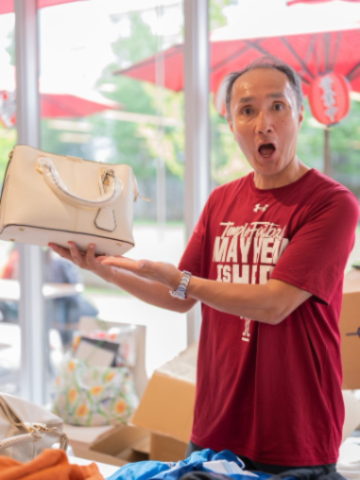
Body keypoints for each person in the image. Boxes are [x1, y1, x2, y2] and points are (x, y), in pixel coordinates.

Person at [49, 56, 360, 475]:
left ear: (300, 114)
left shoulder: (331, 203)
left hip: (294, 432)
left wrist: (185, 281)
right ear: (231, 125)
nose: (262, 123)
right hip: (215, 427)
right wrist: (103, 269)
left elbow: (274, 304)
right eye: (246, 110)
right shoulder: (221, 200)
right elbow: (176, 296)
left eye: (278, 106)